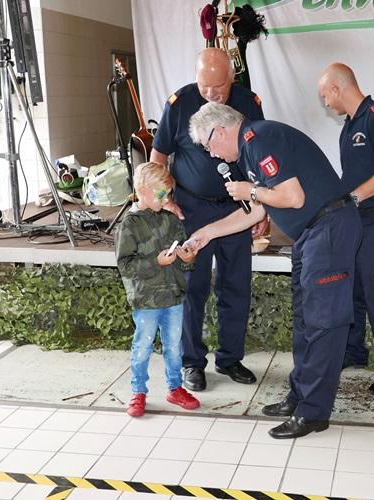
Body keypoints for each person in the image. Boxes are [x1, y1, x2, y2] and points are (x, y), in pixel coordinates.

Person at [187, 102, 361, 439]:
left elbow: (293, 198)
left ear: (219, 131)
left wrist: (249, 190)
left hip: (328, 229)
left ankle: (313, 412)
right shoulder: (251, 149)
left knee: (323, 324)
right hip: (312, 234)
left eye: (208, 145)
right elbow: (255, 212)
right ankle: (299, 397)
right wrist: (206, 233)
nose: (211, 154)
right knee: (306, 321)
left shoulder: (259, 139)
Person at [150, 48, 266, 392]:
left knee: (236, 284)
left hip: (236, 207)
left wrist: (263, 206)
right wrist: (163, 198)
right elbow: (159, 154)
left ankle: (230, 358)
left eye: (219, 87)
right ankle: (191, 362)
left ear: (232, 77)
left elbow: (260, 155)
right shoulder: (180, 102)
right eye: (205, 87)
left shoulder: (248, 102)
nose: (211, 94)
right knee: (192, 286)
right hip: (191, 207)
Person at [318, 63, 374, 395]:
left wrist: (354, 197)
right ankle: (354, 352)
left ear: (337, 88)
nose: (326, 103)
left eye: (325, 95)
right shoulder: (350, 125)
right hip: (356, 222)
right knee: (352, 290)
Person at [115, 161, 201, 417]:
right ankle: (138, 392)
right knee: (142, 347)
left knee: (174, 347)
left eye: (168, 194)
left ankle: (175, 388)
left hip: (173, 296)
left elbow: (183, 258)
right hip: (146, 300)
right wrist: (156, 262)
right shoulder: (129, 224)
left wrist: (188, 258)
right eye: (161, 194)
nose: (166, 200)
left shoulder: (171, 219)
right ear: (142, 190)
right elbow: (125, 265)